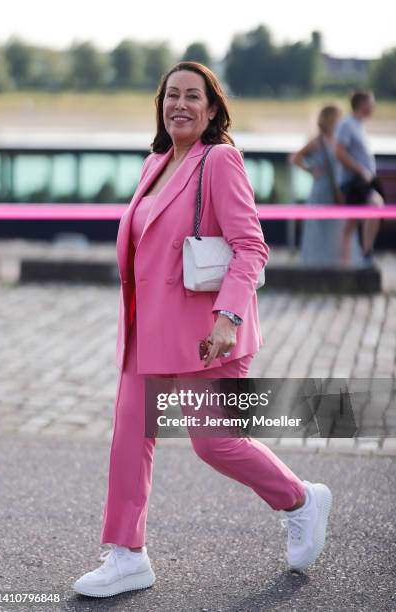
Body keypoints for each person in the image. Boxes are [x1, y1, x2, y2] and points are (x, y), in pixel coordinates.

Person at [72, 61, 332, 598]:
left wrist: (229, 317)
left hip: (209, 332)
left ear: (212, 109)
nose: (181, 105)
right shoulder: (156, 163)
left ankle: (301, 499)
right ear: (161, 104)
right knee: (128, 437)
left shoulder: (220, 161)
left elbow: (252, 246)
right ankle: (127, 555)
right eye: (172, 95)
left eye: (193, 96)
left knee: (214, 442)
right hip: (146, 332)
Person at [290, 105, 362, 266]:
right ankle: (318, 264)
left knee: (338, 228)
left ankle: (340, 263)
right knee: (320, 229)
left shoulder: (339, 141)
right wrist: (311, 170)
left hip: (338, 190)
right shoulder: (318, 141)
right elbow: (295, 158)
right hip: (322, 191)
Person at [335, 89, 385, 266]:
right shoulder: (347, 124)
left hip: (361, 180)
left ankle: (345, 264)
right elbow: (339, 153)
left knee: (351, 223)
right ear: (362, 104)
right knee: (376, 204)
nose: (373, 107)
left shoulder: (357, 124)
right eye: (371, 103)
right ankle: (366, 253)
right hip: (355, 181)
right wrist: (361, 170)